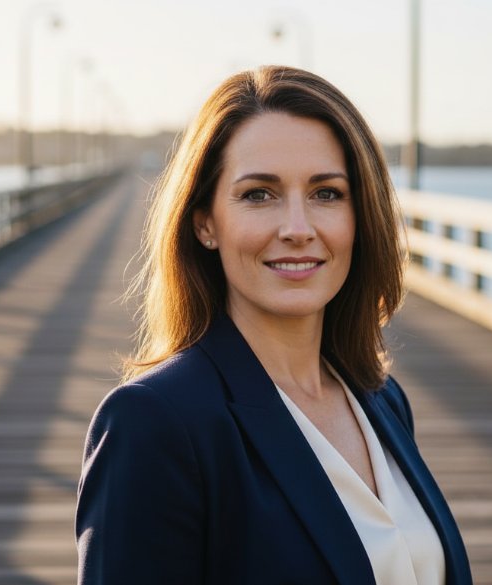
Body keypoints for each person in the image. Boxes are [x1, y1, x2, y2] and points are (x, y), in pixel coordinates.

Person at [76, 65, 471, 585]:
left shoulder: (381, 398)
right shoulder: (153, 423)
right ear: (205, 223)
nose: (297, 229)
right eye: (259, 195)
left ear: (361, 214)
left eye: (326, 193)